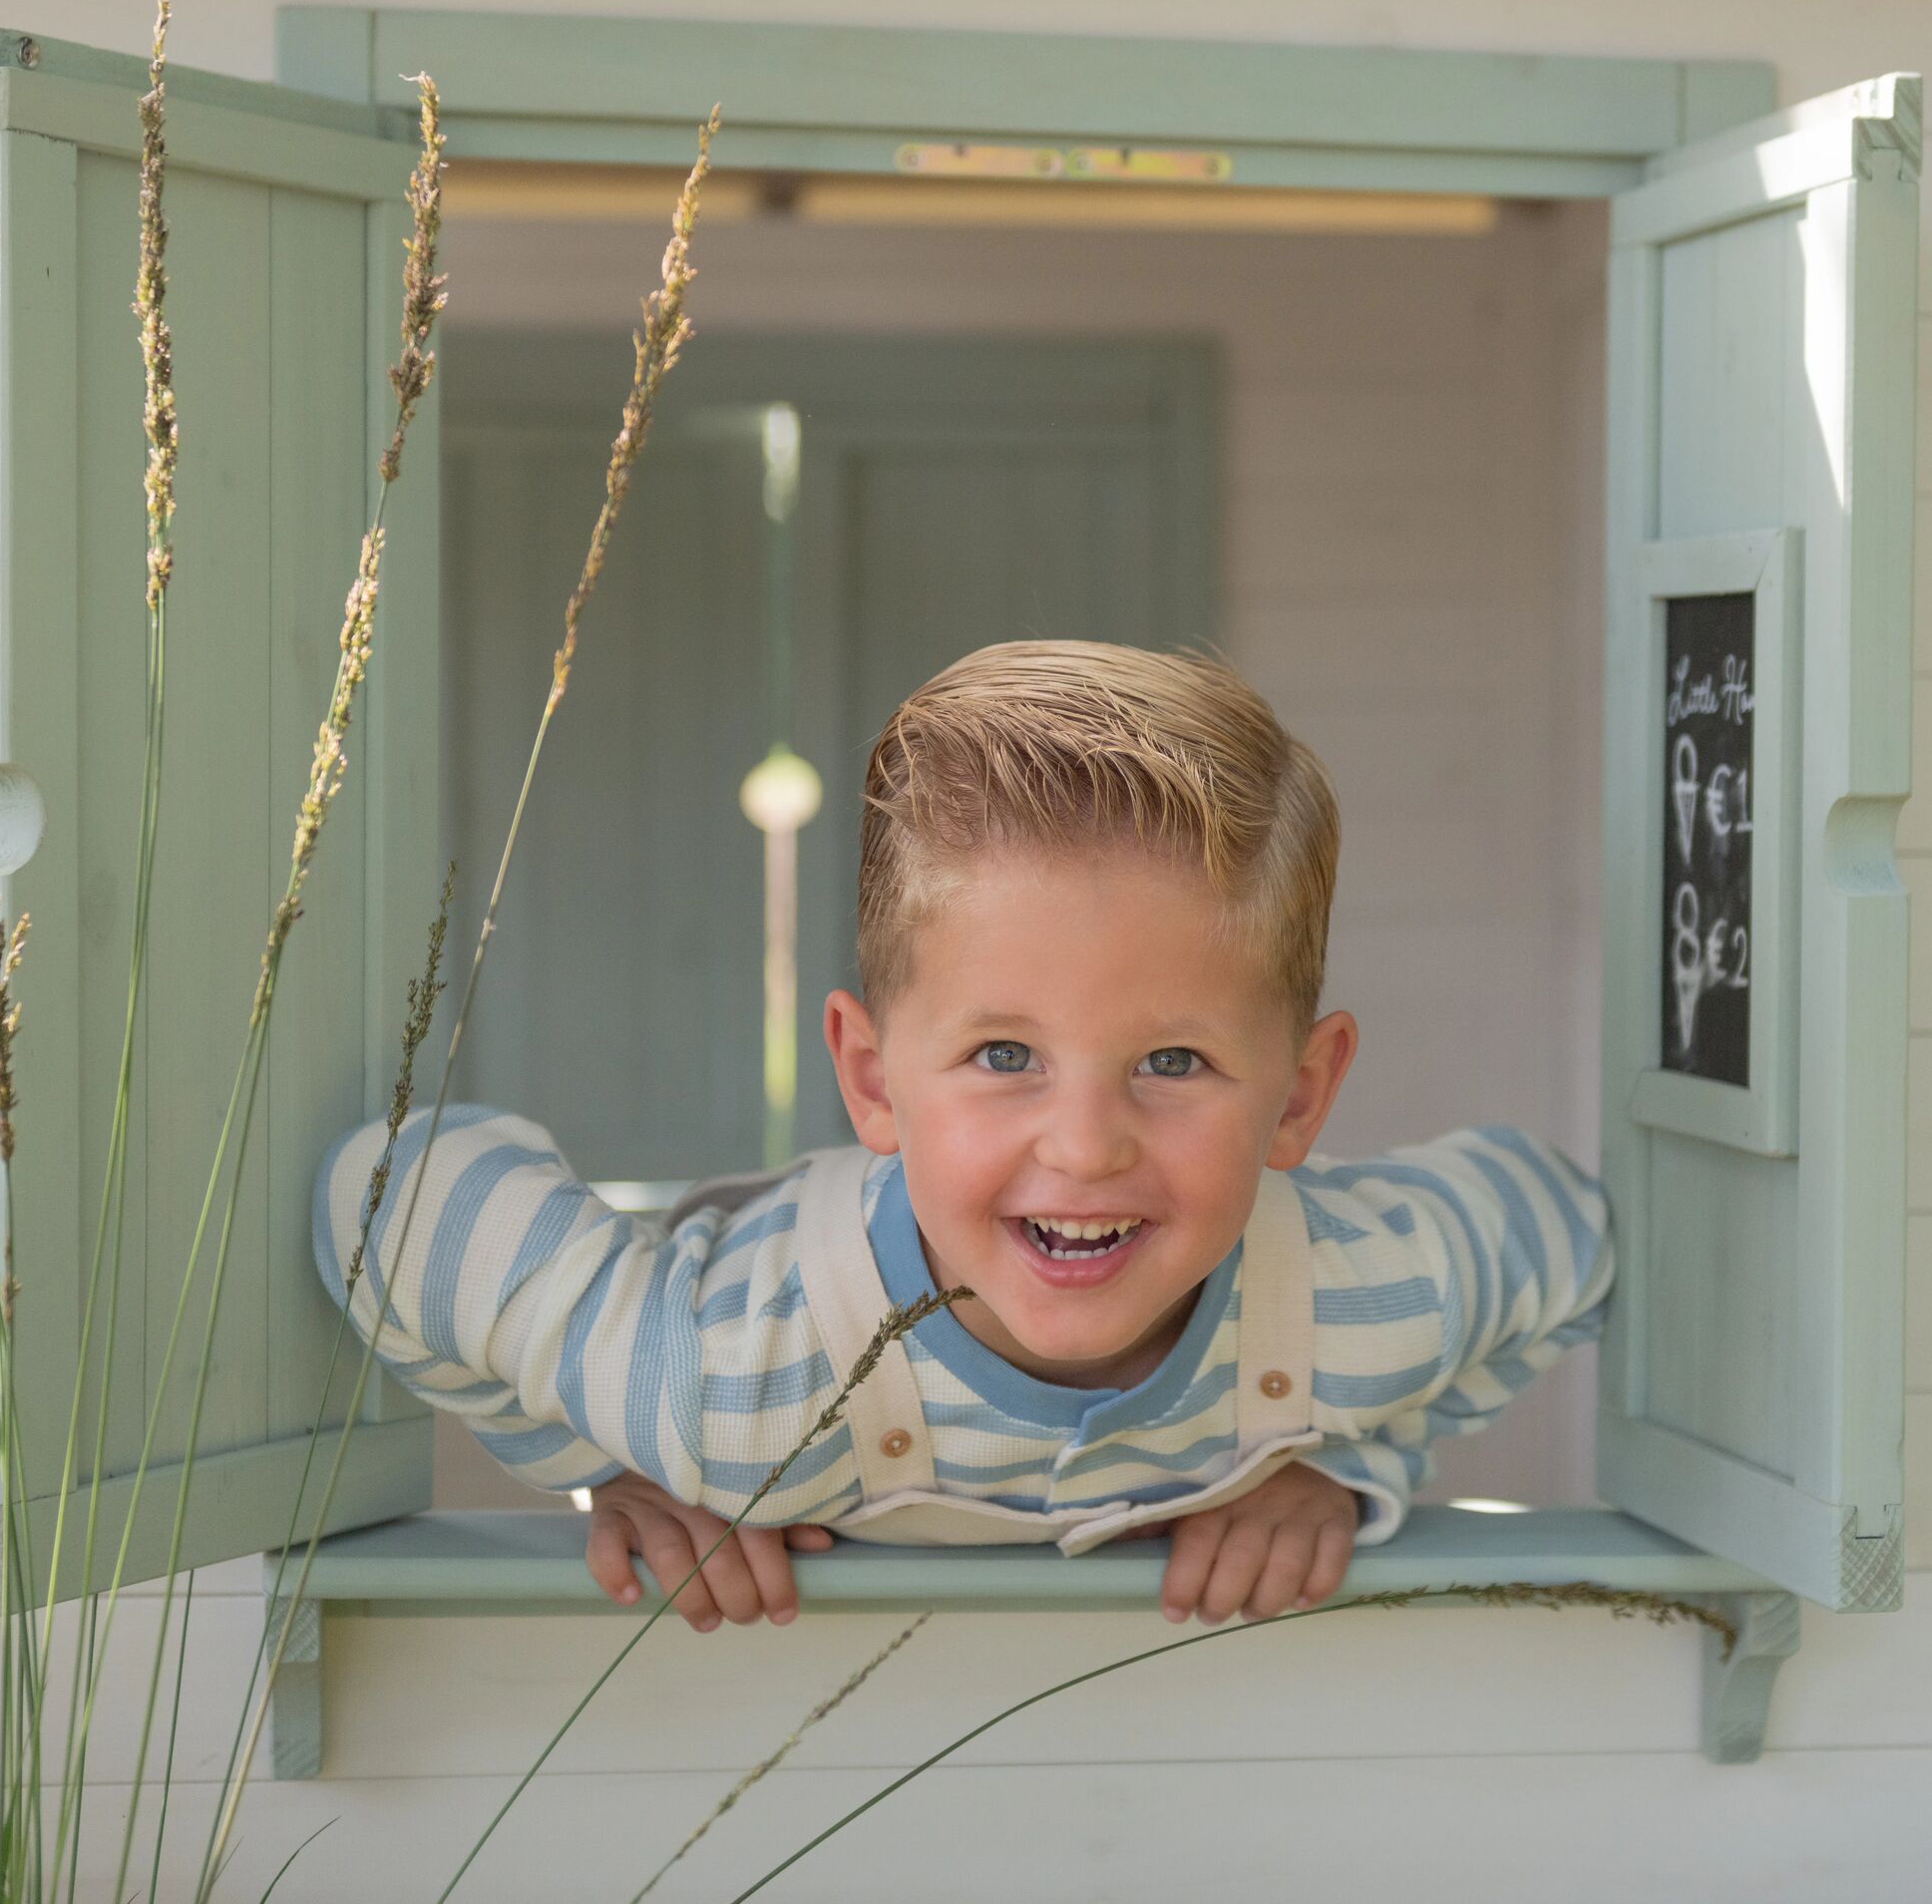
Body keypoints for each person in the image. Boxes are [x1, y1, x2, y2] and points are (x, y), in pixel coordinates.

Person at [313, 639, 1612, 1634]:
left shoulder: (1368, 1300)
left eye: (1173, 1061)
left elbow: (1577, 1238)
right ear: (873, 1082)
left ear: (1301, 1095)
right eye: (1005, 1058)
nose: (1087, 1145)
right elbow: (383, 1199)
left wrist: (1350, 1462)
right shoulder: (721, 1387)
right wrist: (608, 1458)